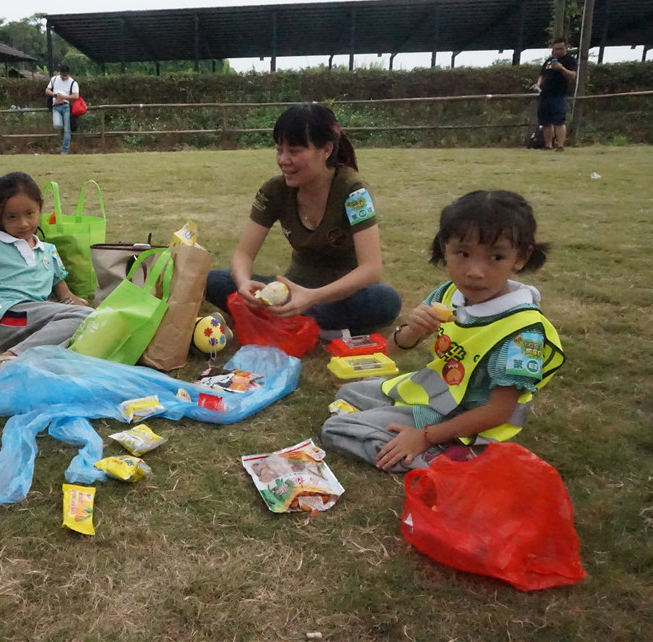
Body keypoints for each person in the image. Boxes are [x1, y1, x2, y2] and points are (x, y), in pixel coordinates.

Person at [320, 190, 564, 473]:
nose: (474, 271)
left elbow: (500, 411)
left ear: (520, 257)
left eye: (496, 257)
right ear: (444, 248)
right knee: (350, 392)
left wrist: (425, 437)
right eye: (463, 253)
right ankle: (400, 424)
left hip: (464, 418)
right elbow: (392, 349)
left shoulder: (524, 333)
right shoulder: (451, 293)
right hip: (434, 391)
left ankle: (446, 457)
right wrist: (413, 330)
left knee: (336, 428)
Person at [204, 103, 401, 335]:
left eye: (294, 151)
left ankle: (288, 318)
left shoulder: (353, 192)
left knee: (386, 300)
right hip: (291, 289)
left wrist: (312, 297)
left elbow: (371, 269)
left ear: (326, 150)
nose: (283, 160)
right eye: (279, 150)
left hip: (342, 295)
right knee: (213, 280)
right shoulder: (274, 190)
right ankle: (304, 320)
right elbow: (243, 254)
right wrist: (244, 283)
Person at [0, 172, 92, 365]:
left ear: (40, 207)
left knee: (92, 323)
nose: (23, 223)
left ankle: (38, 357)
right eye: (12, 217)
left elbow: (67, 298)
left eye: (30, 214)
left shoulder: (48, 251)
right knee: (85, 318)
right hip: (7, 316)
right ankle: (12, 357)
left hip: (37, 322)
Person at [532, 38, 578, 151]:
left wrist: (561, 68)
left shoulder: (569, 60)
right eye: (556, 49)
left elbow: (573, 76)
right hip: (545, 94)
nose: (558, 51)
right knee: (545, 121)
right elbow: (542, 74)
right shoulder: (549, 61)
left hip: (559, 94)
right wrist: (538, 84)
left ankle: (560, 145)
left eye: (560, 48)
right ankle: (548, 145)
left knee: (559, 121)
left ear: (565, 48)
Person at [45, 64, 79, 155]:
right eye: (61, 75)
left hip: (66, 106)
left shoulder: (73, 83)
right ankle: (61, 124)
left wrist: (64, 96)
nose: (63, 77)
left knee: (67, 130)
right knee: (57, 124)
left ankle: (64, 150)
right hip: (56, 106)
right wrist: (54, 94)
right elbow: (47, 90)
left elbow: (76, 96)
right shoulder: (54, 79)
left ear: (68, 74)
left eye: (65, 75)